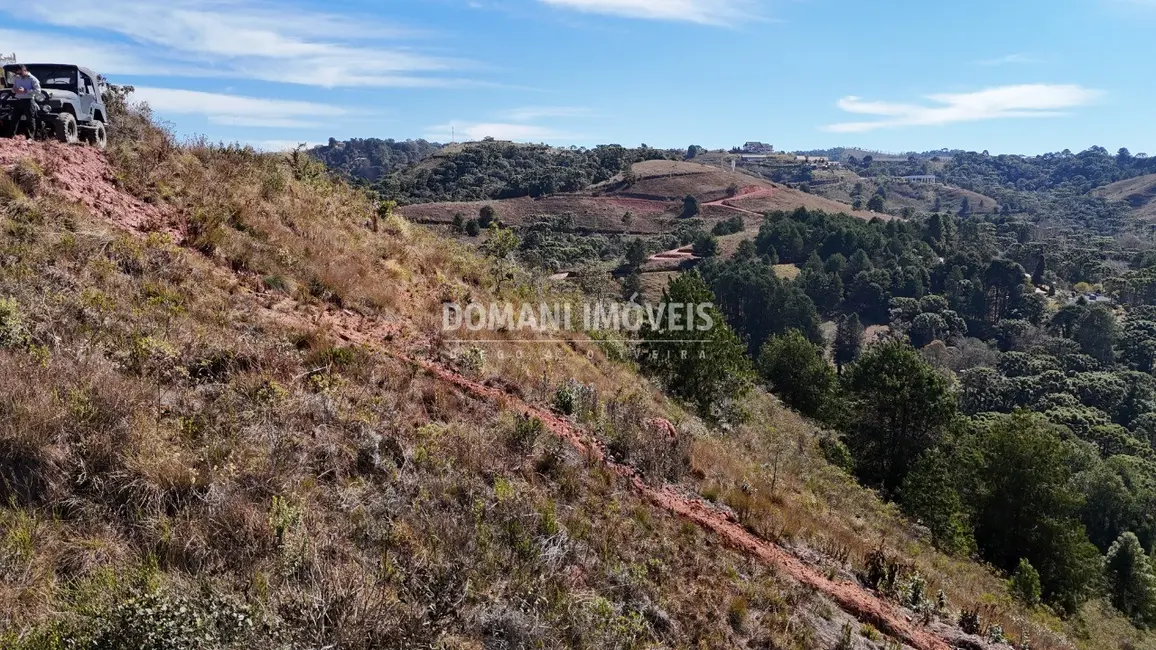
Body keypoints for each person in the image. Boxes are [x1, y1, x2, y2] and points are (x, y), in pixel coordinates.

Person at [11, 65, 41, 140]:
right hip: (18, 100)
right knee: (14, 119)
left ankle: (30, 138)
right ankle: (11, 136)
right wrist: (14, 90)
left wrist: (26, 91)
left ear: (24, 70)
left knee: (30, 119)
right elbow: (13, 88)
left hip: (28, 101)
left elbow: (38, 91)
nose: (18, 75)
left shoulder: (33, 79)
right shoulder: (17, 78)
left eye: (20, 73)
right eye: (17, 73)